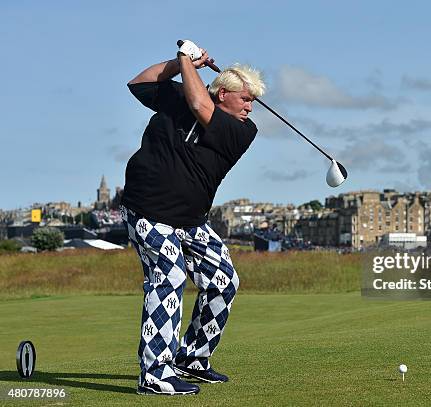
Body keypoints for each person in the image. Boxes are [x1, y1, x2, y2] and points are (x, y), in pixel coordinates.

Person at [120, 40, 265, 395]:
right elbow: (139, 83)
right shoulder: (180, 98)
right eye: (245, 97)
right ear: (223, 93)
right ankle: (155, 372)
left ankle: (193, 358)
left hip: (189, 219)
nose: (250, 105)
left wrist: (188, 60)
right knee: (168, 274)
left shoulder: (242, 131)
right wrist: (179, 62)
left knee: (223, 280)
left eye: (253, 100)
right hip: (147, 209)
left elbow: (200, 104)